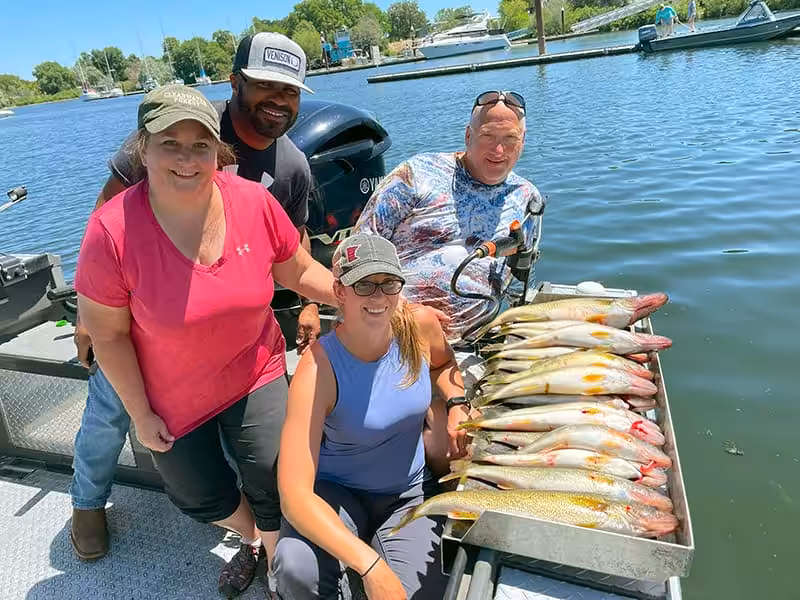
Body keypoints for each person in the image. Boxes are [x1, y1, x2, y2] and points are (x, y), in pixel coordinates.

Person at [74, 85, 337, 597]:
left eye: (201, 145)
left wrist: (352, 295)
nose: (187, 158)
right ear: (142, 149)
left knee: (274, 469)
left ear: (219, 152)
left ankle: (277, 551)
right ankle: (253, 538)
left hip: (250, 366)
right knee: (198, 496)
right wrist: (141, 413)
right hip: (170, 389)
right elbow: (107, 333)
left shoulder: (253, 201)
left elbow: (298, 268)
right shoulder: (111, 230)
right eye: (169, 142)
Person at [354, 90, 543, 469]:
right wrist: (403, 312)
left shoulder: (527, 199)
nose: (499, 151)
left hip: (470, 343)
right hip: (393, 334)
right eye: (489, 137)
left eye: (511, 140)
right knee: (416, 446)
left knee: (462, 448)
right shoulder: (417, 175)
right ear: (468, 135)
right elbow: (356, 254)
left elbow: (517, 281)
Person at [273, 233, 464, 599]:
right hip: (336, 494)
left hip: (407, 494)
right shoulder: (317, 368)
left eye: (388, 283)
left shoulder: (420, 327)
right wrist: (370, 566)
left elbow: (443, 365)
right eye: (363, 284)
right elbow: (294, 495)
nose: (378, 297)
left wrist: (456, 404)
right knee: (295, 568)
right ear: (339, 291)